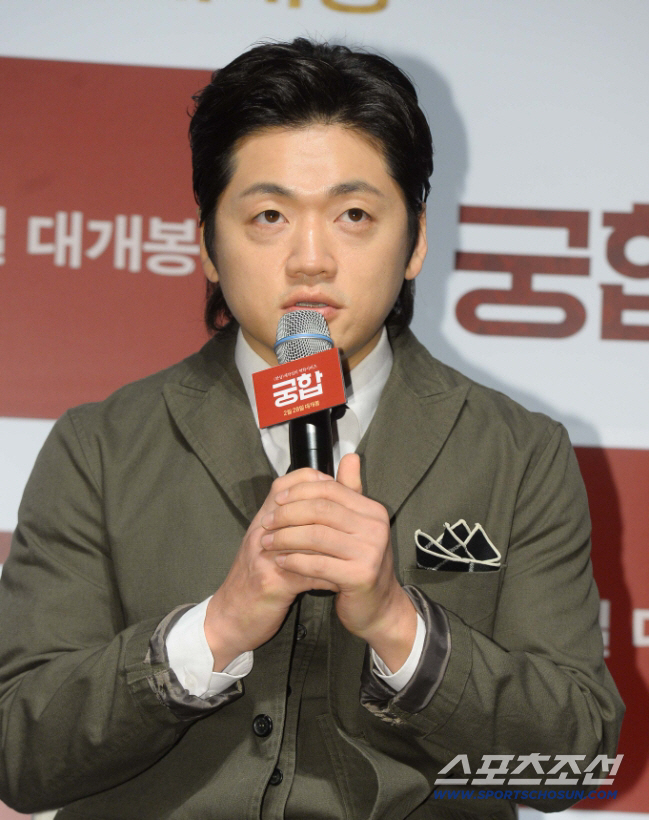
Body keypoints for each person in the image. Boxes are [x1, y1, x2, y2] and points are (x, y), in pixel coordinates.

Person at [0, 38, 623, 819]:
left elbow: (568, 767)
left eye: (353, 215)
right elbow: (17, 755)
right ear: (207, 244)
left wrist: (398, 626)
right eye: (268, 216)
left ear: (415, 241)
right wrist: (215, 629)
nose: (310, 259)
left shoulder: (517, 453)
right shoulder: (101, 446)